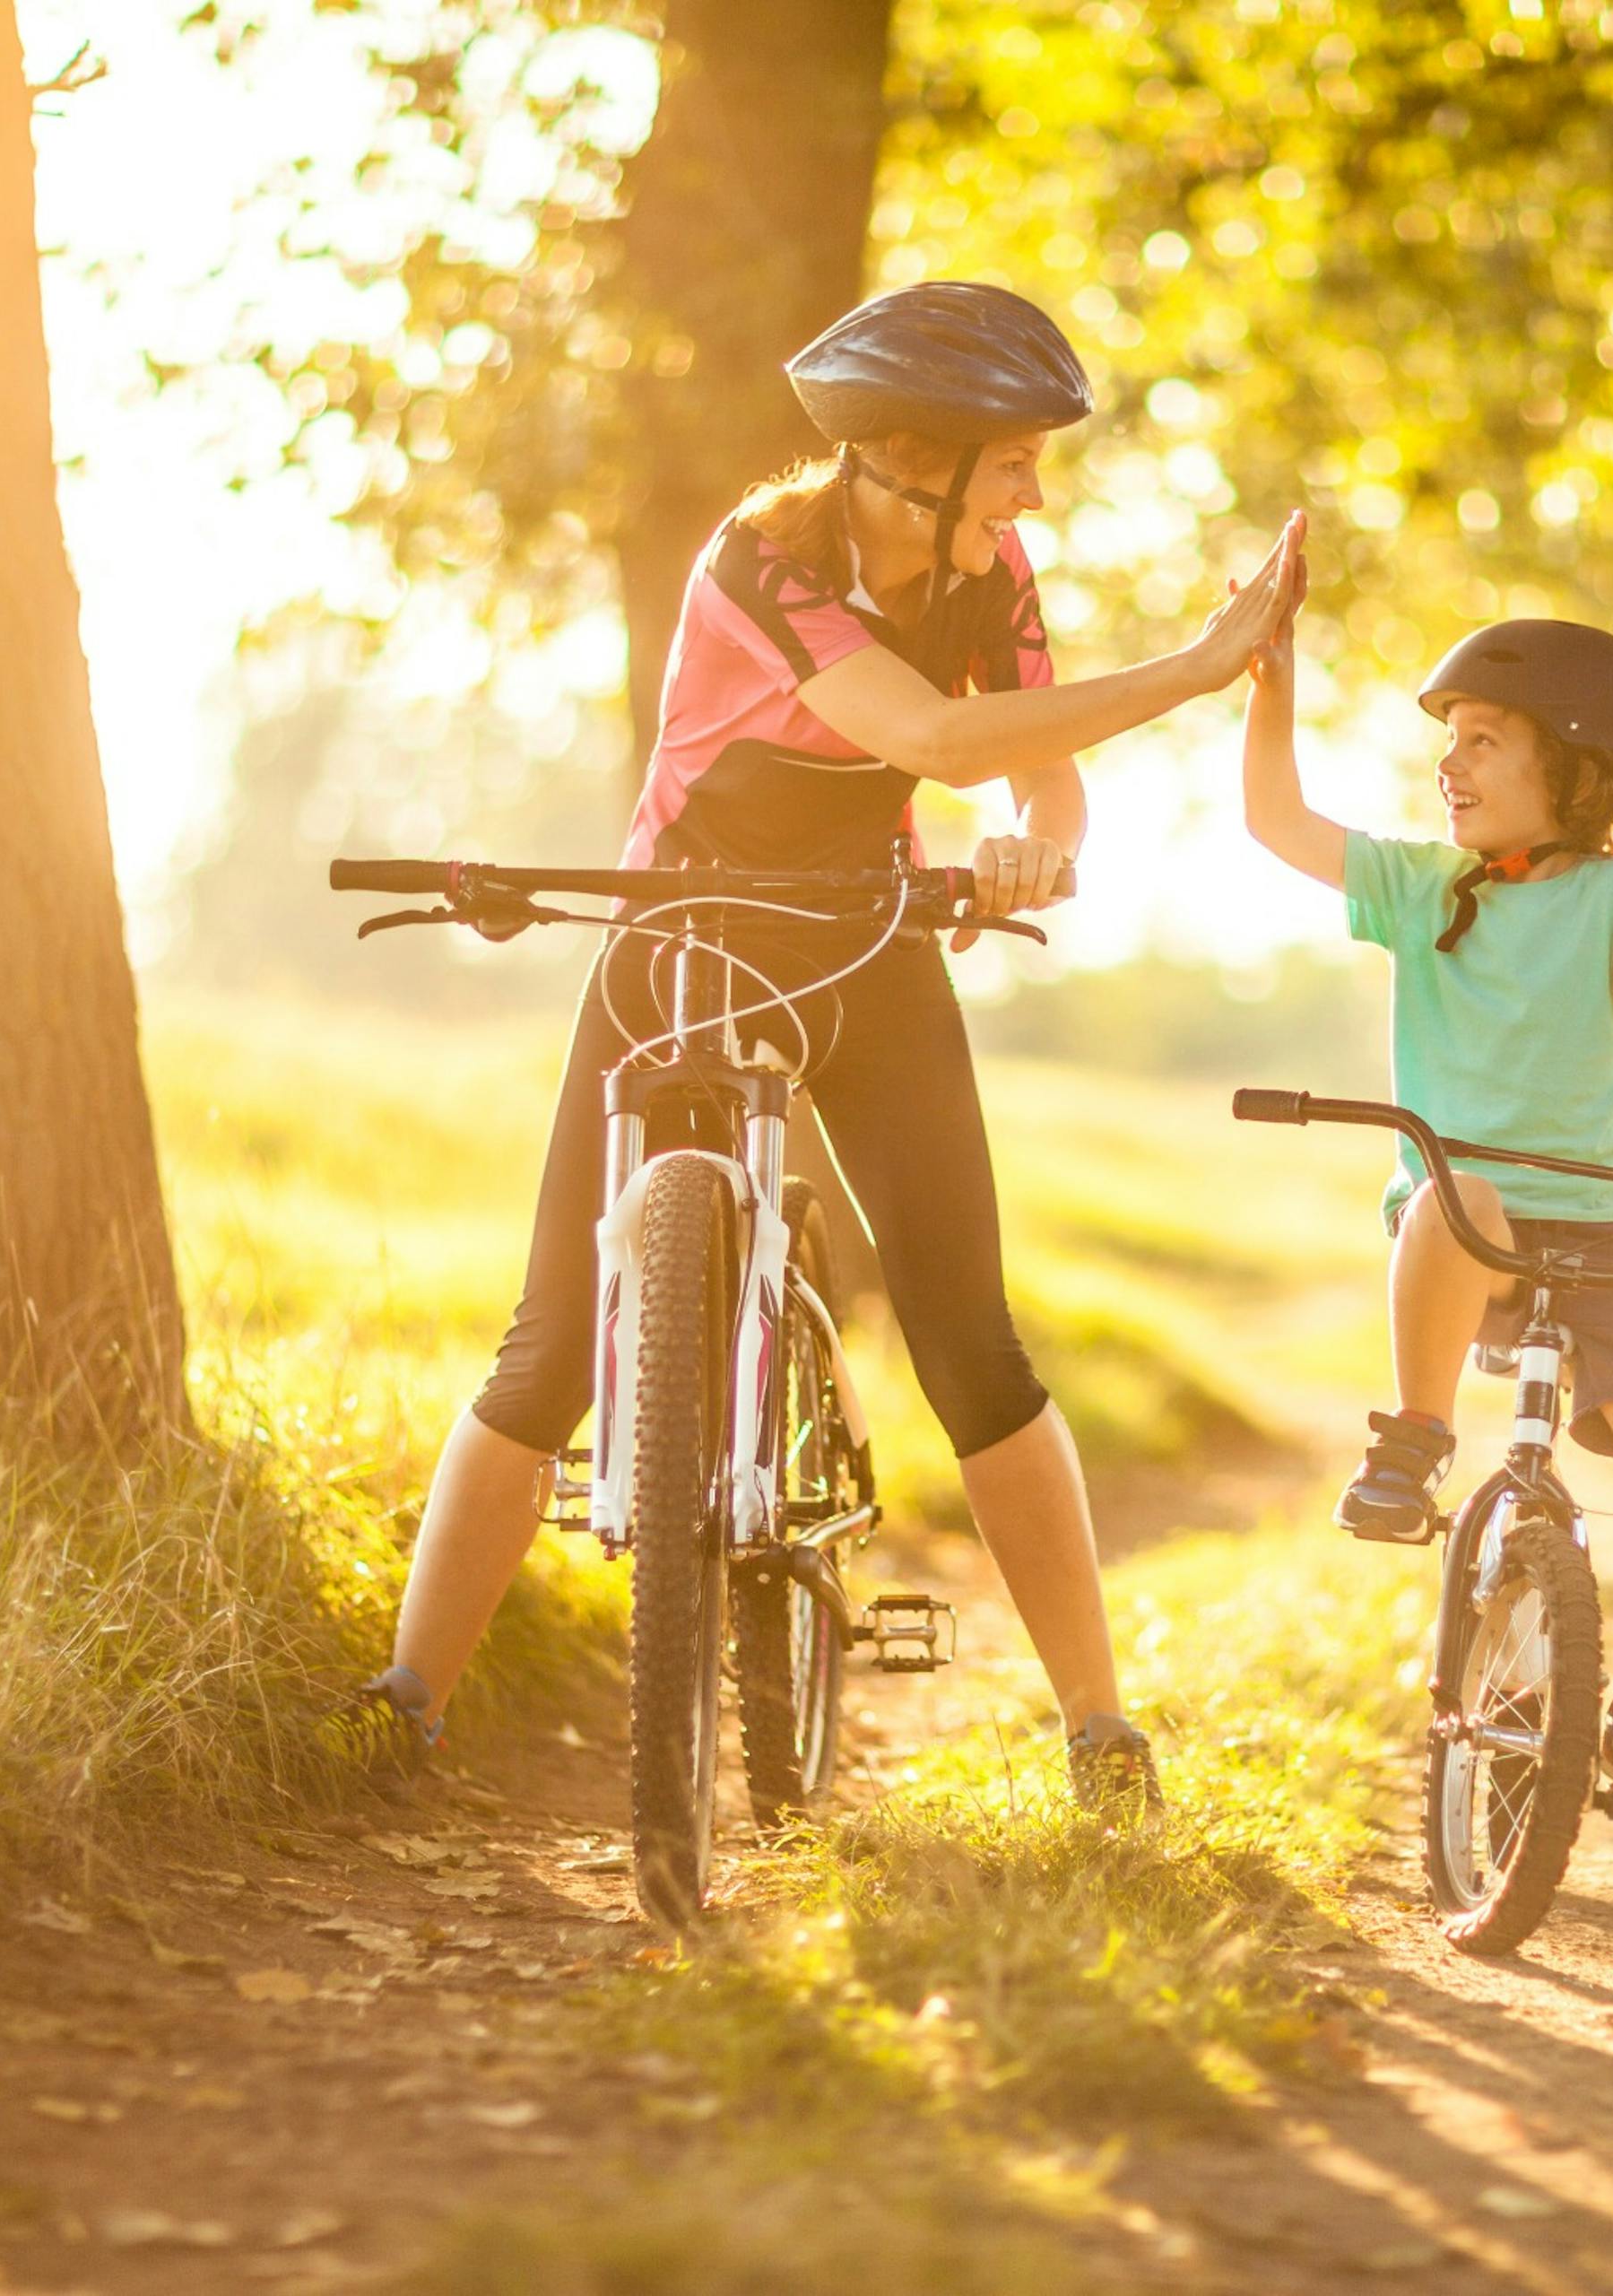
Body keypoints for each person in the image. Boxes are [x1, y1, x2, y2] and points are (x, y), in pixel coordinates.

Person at [363, 282, 1304, 1812]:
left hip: (868, 947)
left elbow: (1032, 770)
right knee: (548, 1351)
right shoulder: (762, 562)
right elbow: (927, 740)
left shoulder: (992, 574)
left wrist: (1035, 847)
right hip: (683, 938)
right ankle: (404, 1706)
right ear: (912, 464)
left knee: (973, 1350)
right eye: (1013, 464)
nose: (1033, 494)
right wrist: (1197, 669)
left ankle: (1096, 1727)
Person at [1236, 605, 1613, 1822]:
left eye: (1483, 740)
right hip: (1470, 1225)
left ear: (1573, 763)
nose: (1447, 765)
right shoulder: (1419, 886)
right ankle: (1412, 1441)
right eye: (1447, 739)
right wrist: (1273, 682)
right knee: (1470, 1186)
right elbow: (1275, 822)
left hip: (1608, 1233)